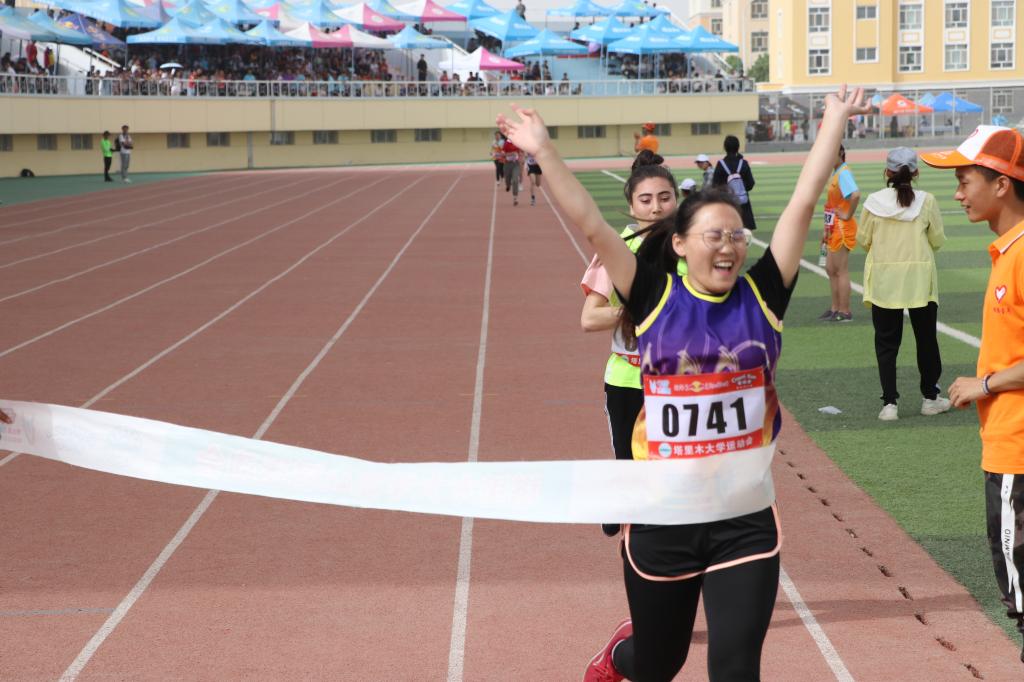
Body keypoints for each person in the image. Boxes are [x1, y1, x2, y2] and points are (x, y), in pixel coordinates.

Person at [498, 85, 870, 682]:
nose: (728, 246)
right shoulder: (652, 296)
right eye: (712, 235)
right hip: (662, 516)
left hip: (742, 517)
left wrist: (833, 120)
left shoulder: (763, 295)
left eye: (736, 235)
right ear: (678, 244)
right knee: (658, 663)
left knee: (735, 666)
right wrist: (543, 151)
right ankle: (618, 659)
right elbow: (593, 225)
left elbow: (802, 202)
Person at [927, 126, 1024, 662]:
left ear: (1002, 184)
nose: (958, 194)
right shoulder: (1007, 251)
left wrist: (983, 384)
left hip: (1017, 452)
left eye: (965, 182)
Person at [578, 150, 685, 537]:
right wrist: (640, 308)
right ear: (631, 206)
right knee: (631, 467)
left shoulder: (694, 247)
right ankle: (624, 506)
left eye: (664, 198)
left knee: (678, 473)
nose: (656, 208)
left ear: (677, 200)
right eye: (646, 199)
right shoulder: (616, 251)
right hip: (628, 378)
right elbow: (589, 318)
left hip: (683, 380)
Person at [858, 147, 949, 421]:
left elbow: (864, 240)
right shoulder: (927, 201)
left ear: (887, 172)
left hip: (885, 281)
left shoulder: (873, 202)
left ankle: (890, 404)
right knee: (926, 339)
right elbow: (937, 239)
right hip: (920, 280)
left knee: (886, 344)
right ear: (916, 172)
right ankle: (930, 398)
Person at [817, 144, 860, 322]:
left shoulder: (843, 173)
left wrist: (847, 214)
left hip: (842, 227)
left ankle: (845, 310)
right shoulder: (837, 173)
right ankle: (835, 308)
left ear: (841, 153)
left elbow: (855, 195)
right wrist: (826, 230)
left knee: (840, 270)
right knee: (830, 269)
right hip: (833, 227)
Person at [712, 134, 758, 231]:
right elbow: (751, 184)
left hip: (727, 204)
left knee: (727, 232)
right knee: (744, 234)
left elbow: (715, 186)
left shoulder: (721, 164)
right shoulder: (743, 163)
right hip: (743, 205)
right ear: (738, 147)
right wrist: (740, 188)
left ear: (725, 147)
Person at [502, 135, 523, 206]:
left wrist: (521, 157)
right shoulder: (506, 143)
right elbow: (503, 154)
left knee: (515, 180)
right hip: (507, 164)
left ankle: (515, 198)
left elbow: (521, 152)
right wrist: (511, 153)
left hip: (516, 164)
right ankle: (508, 185)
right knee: (507, 180)